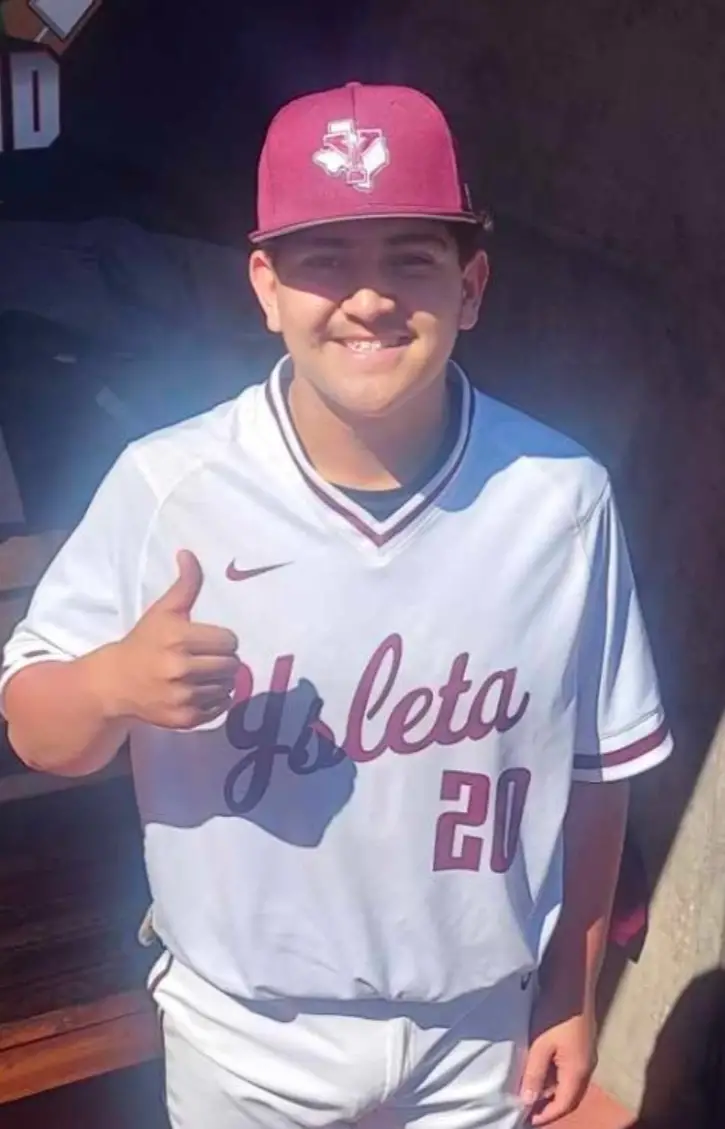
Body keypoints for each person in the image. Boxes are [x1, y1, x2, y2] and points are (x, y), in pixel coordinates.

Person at [0, 82, 672, 1129]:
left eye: (410, 258)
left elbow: (593, 774)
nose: (368, 298)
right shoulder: (169, 482)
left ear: (470, 285)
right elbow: (38, 731)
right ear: (264, 287)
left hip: (475, 1030)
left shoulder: (560, 495)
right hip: (246, 1032)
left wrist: (570, 990)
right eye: (324, 260)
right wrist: (110, 683)